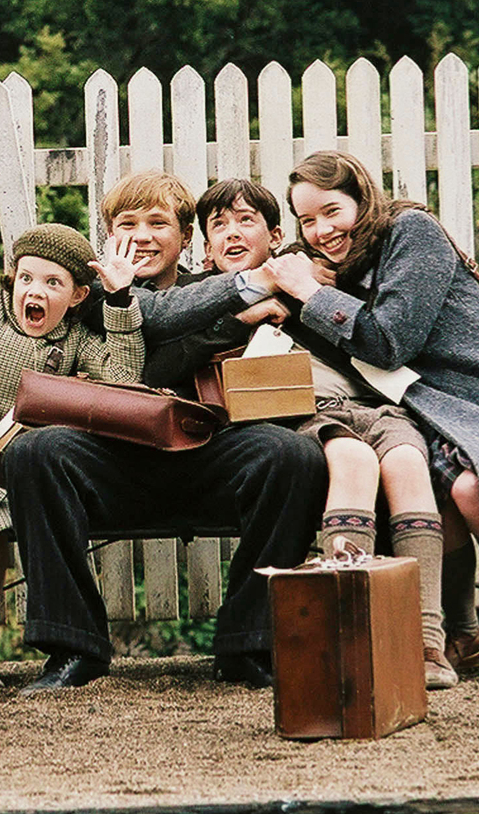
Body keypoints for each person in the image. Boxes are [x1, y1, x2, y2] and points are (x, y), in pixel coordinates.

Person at [265, 150, 479, 677]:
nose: (321, 230)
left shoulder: (411, 232)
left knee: (469, 491)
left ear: (361, 199)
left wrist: (308, 291)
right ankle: (460, 633)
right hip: (422, 411)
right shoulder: (340, 268)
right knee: (424, 489)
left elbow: (388, 341)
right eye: (307, 220)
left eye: (331, 211)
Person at [3, 171, 327, 692]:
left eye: (158, 223)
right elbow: (144, 358)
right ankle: (72, 650)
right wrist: (231, 324)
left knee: (290, 455)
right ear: (108, 236)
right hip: (119, 458)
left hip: (209, 452)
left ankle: (250, 645)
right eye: (127, 224)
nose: (142, 236)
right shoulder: (88, 297)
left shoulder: (210, 287)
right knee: (36, 452)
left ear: (185, 239)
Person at [194, 178, 456, 690]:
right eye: (218, 225)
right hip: (308, 415)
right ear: (205, 248)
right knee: (356, 463)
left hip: (373, 404)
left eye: (245, 221)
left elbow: (370, 329)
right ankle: (346, 637)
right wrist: (240, 312)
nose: (231, 233)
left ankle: (426, 642)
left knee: (406, 463)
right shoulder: (205, 298)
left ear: (275, 236)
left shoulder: (306, 275)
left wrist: (300, 284)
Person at [0, 223, 144, 686]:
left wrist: (119, 303)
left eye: (52, 283)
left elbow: (125, 377)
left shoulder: (75, 338)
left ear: (78, 295)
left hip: (7, 466)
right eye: (26, 278)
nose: (34, 291)